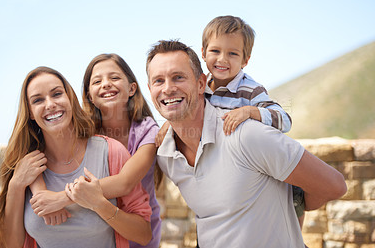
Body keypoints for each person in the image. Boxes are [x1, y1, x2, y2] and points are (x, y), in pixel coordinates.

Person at [146, 40, 347, 247]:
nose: (168, 88)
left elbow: (333, 185)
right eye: (158, 81)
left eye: (178, 77)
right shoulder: (166, 156)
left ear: (200, 84)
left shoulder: (246, 135)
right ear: (149, 89)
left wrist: (290, 208)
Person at [155, 15, 305, 227]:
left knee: (289, 215)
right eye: (215, 51)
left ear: (245, 60)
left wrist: (250, 112)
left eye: (232, 53)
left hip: (265, 169)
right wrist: (169, 124)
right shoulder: (201, 87)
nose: (222, 59)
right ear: (204, 53)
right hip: (227, 170)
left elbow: (284, 120)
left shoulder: (251, 90)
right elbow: (188, 111)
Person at [0, 66, 152, 248]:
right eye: (38, 100)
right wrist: (16, 185)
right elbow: (11, 245)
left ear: (70, 98)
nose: (50, 104)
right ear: (30, 112)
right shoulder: (27, 168)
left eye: (56, 94)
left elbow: (144, 234)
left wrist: (99, 204)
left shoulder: (111, 152)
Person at [29, 54, 162, 248]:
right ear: (89, 95)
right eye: (97, 81)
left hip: (136, 232)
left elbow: (125, 182)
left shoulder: (147, 130)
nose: (106, 84)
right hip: (98, 232)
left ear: (132, 88)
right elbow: (35, 147)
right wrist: (39, 191)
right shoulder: (84, 131)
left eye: (114, 78)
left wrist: (60, 199)